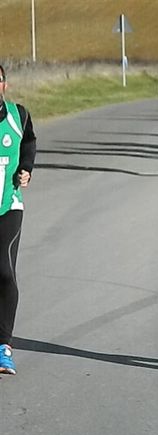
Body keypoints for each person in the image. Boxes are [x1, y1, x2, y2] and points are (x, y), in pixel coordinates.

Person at [0, 64, 36, 375]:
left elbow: (29, 142)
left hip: (8, 206)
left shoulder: (18, 115)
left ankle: (4, 345)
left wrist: (26, 168)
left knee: (5, 272)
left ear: (4, 85)